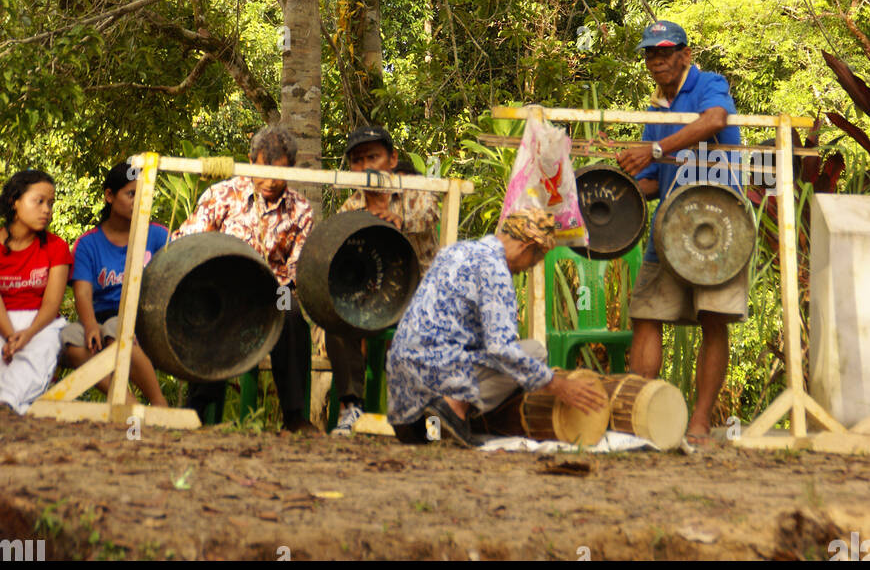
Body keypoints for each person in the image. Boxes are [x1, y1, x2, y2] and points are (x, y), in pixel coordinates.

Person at [613, 19, 746, 447]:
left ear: (685, 55)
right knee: (646, 313)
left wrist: (655, 148)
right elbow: (653, 180)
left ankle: (700, 425)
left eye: (666, 52)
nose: (657, 60)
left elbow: (714, 120)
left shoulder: (709, 84)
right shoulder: (655, 111)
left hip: (718, 222)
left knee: (713, 318)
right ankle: (642, 421)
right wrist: (613, 189)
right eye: (651, 53)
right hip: (670, 225)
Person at [386, 208, 603, 446]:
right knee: (534, 351)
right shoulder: (495, 269)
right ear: (526, 246)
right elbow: (501, 348)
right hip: (437, 376)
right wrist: (555, 383)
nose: (528, 268)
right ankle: (452, 410)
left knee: (474, 353)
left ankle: (429, 428)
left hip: (402, 397)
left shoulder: (454, 251)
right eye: (535, 260)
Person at [172, 125, 316, 434]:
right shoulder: (222, 194)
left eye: (279, 173)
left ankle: (294, 416)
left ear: (290, 169)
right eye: (262, 170)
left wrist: (280, 288)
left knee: (290, 312)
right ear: (251, 160)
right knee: (210, 311)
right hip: (223, 289)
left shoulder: (301, 209)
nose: (270, 181)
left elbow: (297, 267)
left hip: (271, 295)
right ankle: (196, 412)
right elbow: (187, 239)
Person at [327, 126, 441, 437]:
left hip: (417, 298)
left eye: (373, 157)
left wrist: (401, 223)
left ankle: (429, 424)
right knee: (336, 317)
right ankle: (351, 408)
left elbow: (430, 214)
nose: (365, 167)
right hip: (370, 301)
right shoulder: (349, 209)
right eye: (357, 160)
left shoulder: (415, 192)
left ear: (392, 160)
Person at [61, 161, 169, 408]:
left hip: (142, 319)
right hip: (98, 319)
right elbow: (83, 293)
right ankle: (129, 405)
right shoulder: (88, 244)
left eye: (144, 195)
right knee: (71, 340)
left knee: (116, 331)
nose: (139, 201)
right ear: (109, 196)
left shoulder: (158, 236)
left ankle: (159, 403)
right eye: (131, 194)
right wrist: (89, 327)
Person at [0, 169, 72, 414]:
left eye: (50, 203)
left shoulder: (56, 247)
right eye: (39, 201)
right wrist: (11, 335)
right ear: (15, 201)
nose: (47, 210)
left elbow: (52, 304)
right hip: (3, 319)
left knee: (40, 348)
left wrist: (27, 334)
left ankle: (7, 405)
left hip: (41, 322)